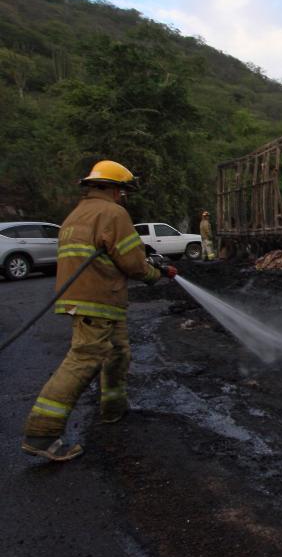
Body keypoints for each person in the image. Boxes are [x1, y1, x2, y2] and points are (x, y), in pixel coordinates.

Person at [21, 160, 177, 462]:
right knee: (83, 359)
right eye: (124, 190)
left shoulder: (76, 215)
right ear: (114, 189)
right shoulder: (113, 213)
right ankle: (42, 433)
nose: (124, 196)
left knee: (118, 351)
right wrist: (155, 275)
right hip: (98, 297)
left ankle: (113, 409)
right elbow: (132, 262)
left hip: (95, 297)